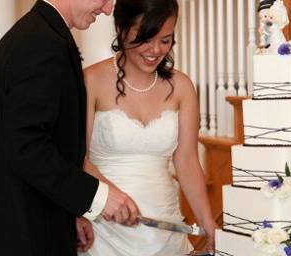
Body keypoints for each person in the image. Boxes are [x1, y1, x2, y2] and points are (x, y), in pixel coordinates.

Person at [0, 1, 139, 256]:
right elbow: (28, 147)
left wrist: (72, 211)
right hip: (22, 236)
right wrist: (97, 196)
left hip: (37, 222)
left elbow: (55, 140)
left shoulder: (43, 34)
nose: (107, 9)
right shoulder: (38, 43)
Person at [79, 0, 218, 255]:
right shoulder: (91, 80)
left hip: (164, 227)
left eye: (165, 40)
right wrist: (102, 199)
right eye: (144, 38)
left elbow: (186, 161)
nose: (155, 50)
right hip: (103, 226)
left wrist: (208, 221)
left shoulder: (182, 86)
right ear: (121, 29)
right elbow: (78, 157)